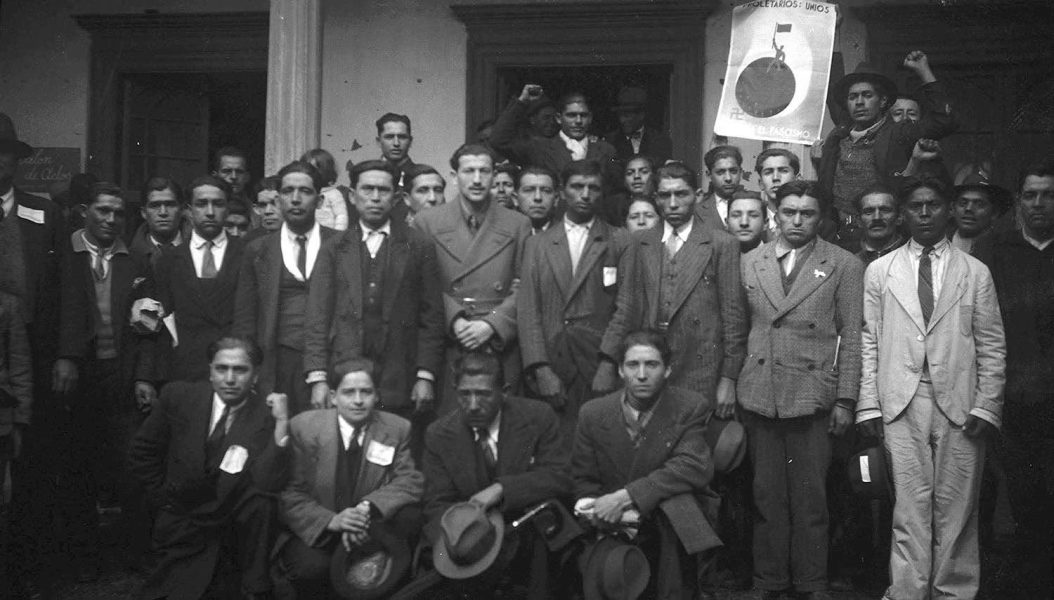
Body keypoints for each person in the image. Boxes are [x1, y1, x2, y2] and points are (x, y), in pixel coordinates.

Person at [856, 177, 1005, 600]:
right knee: (909, 507)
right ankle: (907, 591)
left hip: (960, 401)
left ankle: (954, 592)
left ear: (949, 210)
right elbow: (869, 340)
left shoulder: (974, 272)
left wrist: (986, 405)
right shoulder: (880, 271)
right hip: (901, 399)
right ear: (903, 214)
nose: (924, 214)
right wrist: (869, 405)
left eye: (934, 205)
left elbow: (992, 344)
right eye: (915, 206)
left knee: (958, 507)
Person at [737, 180, 863, 599]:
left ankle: (811, 582)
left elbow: (852, 336)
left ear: (820, 218)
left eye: (807, 213)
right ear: (775, 213)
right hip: (761, 393)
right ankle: (768, 580)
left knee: (811, 500)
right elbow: (739, 329)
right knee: (766, 497)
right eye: (789, 211)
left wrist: (845, 398)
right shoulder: (751, 261)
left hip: (813, 395)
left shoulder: (843, 264)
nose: (796, 221)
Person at [128, 336, 290, 600]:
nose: (230, 379)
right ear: (210, 371)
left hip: (229, 522)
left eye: (240, 370)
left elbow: (268, 482)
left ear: (256, 375)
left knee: (261, 504)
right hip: (181, 518)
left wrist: (282, 422)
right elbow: (142, 452)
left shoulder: (264, 414)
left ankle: (254, 584)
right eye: (221, 369)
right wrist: (163, 498)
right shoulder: (179, 397)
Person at [573, 330, 721, 600]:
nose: (641, 375)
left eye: (651, 364)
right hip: (614, 521)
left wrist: (625, 497)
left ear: (667, 370)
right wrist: (598, 509)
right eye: (633, 365)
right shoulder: (593, 413)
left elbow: (691, 466)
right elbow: (584, 479)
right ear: (620, 370)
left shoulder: (689, 406)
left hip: (667, 521)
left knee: (677, 506)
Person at [57, 183, 154, 578]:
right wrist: (64, 358)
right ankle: (83, 558)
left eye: (118, 213)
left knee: (130, 465)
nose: (111, 219)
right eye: (103, 211)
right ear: (85, 211)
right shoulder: (64, 253)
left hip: (121, 375)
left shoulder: (136, 261)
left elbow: (150, 326)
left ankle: (133, 554)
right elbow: (51, 312)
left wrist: (143, 376)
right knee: (79, 465)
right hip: (79, 374)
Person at [600, 162, 747, 416]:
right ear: (656, 198)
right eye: (665, 195)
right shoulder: (639, 242)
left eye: (681, 194)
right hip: (650, 365)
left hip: (700, 366)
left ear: (696, 195)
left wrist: (728, 378)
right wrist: (609, 360)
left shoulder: (721, 244)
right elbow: (626, 308)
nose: (673, 203)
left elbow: (734, 319)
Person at [421, 351, 571, 599]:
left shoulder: (538, 417)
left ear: (505, 392)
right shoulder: (438, 434)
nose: (473, 405)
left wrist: (502, 489)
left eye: (483, 394)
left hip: (527, 531)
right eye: (464, 394)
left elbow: (560, 476)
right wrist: (462, 538)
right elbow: (436, 502)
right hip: (472, 539)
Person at [304, 159, 444, 423]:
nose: (376, 198)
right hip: (345, 372)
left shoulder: (418, 245)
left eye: (384, 190)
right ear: (352, 196)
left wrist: (425, 375)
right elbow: (317, 316)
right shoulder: (334, 248)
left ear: (396, 198)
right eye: (367, 189)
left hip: (399, 375)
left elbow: (431, 316)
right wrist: (318, 377)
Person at [278, 359, 424, 598]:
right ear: (333, 397)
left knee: (409, 519)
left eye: (366, 392)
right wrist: (333, 521)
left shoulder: (397, 428)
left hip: (370, 529)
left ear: (376, 396)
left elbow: (410, 481)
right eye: (349, 392)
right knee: (311, 568)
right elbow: (290, 493)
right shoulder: (303, 428)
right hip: (319, 529)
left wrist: (367, 509)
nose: (358, 400)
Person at [979, 159, 1054, 599]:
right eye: (1030, 195)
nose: (1039, 203)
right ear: (1019, 201)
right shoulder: (994, 250)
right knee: (1023, 492)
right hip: (1014, 395)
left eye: (1048, 195)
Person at [518, 159, 633, 443]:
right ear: (561, 192)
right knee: (553, 446)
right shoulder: (538, 244)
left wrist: (608, 363)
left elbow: (626, 307)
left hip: (596, 362)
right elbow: (529, 311)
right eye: (577, 186)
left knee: (599, 445)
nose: (585, 194)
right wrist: (540, 368)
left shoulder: (619, 240)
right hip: (553, 361)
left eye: (593, 188)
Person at [0, 112, 67, 599]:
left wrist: (66, 354)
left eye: (3, 153)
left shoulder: (43, 212)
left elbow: (66, 289)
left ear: (16, 160)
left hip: (36, 354)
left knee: (32, 459)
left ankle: (26, 567)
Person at [412, 144, 531, 412]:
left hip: (498, 342)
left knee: (501, 419)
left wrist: (491, 324)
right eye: (469, 171)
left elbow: (526, 285)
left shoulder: (517, 223)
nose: (477, 180)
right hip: (451, 339)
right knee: (452, 422)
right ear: (454, 176)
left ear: (494, 176)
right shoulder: (427, 222)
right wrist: (455, 321)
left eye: (484, 171)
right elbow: (422, 285)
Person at [818, 51, 957, 246]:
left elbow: (943, 121)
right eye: (853, 97)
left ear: (883, 101)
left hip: (886, 234)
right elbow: (830, 86)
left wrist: (923, 70)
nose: (859, 102)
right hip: (840, 234)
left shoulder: (899, 132)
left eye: (867, 95)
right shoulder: (840, 134)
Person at [233, 161, 339, 416]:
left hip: (329, 361)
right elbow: (245, 317)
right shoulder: (258, 250)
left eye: (305, 191)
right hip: (276, 362)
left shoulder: (341, 245)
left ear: (320, 201)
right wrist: (248, 368)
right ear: (278, 199)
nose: (295, 199)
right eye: (288, 191)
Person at [149, 175, 245, 382]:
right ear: (189, 210)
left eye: (218, 204)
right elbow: (162, 323)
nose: (210, 212)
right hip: (185, 370)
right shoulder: (169, 260)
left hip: (233, 369)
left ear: (227, 209)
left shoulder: (247, 254)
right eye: (201, 204)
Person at [491, 84, 617, 182]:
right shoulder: (539, 148)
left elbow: (614, 191)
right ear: (559, 118)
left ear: (590, 118)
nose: (578, 121)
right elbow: (499, 141)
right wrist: (522, 102)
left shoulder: (606, 150)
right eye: (571, 115)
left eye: (583, 115)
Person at [949, 169, 1012, 257]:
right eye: (963, 203)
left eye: (979, 204)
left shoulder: (1003, 249)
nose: (968, 209)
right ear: (952, 209)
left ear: (994, 213)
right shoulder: (939, 243)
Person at [130, 176, 188, 271]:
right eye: (155, 205)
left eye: (170, 205)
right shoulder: (129, 257)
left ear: (181, 210)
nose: (163, 212)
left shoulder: (199, 250)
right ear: (144, 213)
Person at [604, 86, 673, 164]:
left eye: (627, 116)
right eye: (620, 115)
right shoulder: (610, 141)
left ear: (641, 115)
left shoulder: (660, 141)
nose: (622, 120)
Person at [855, 184, 906, 265]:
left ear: (899, 217)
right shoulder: (848, 265)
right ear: (859, 221)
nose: (877, 217)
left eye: (885, 210)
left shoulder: (915, 259)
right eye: (869, 211)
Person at [697, 145, 745, 230]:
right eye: (720, 172)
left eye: (733, 171)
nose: (728, 178)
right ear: (709, 175)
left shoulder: (755, 205)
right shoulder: (698, 210)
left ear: (740, 172)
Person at [301, 148, 350, 231]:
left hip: (330, 234)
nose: (310, 174)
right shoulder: (303, 193)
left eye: (314, 170)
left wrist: (338, 234)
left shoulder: (333, 193)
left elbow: (341, 216)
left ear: (326, 171)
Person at [755, 148, 799, 241]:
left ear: (796, 179)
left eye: (783, 171)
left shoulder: (814, 223)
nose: (775, 178)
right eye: (768, 172)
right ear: (761, 183)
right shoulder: (752, 223)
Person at [516, 165, 560, 235]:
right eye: (528, 190)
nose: (538, 197)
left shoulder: (569, 235)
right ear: (515, 198)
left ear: (556, 199)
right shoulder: (501, 234)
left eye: (546, 191)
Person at [376, 112, 415, 187]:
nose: (396, 143)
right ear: (379, 141)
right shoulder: (365, 176)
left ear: (410, 141)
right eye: (389, 137)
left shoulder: (423, 176)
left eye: (402, 137)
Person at [245, 175, 283, 243]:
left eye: (274, 203)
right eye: (262, 205)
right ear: (256, 209)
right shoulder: (249, 242)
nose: (268, 211)